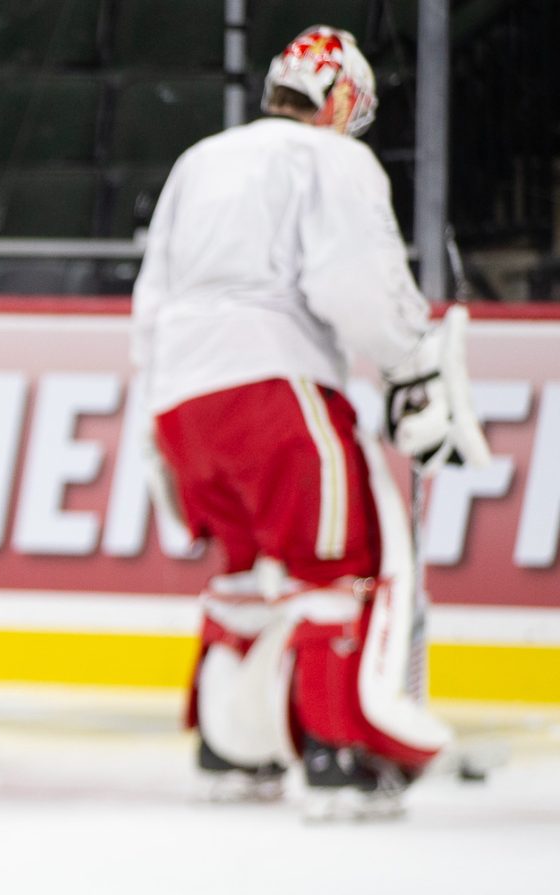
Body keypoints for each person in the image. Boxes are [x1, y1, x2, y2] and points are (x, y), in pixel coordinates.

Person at [131, 25, 489, 819]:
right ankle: (337, 753)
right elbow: (356, 282)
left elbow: (151, 296)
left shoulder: (202, 158)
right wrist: (409, 365)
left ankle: (232, 747)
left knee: (242, 569)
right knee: (340, 564)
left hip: (181, 400)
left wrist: (153, 425)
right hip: (275, 389)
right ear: (341, 102)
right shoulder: (333, 159)